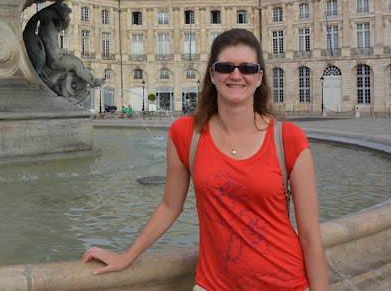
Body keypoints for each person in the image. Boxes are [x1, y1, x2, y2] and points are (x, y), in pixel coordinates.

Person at [83, 29, 328, 290]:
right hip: (213, 285)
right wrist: (127, 256)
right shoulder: (185, 134)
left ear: (259, 77)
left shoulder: (288, 139)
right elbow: (169, 206)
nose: (236, 75)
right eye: (225, 67)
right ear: (212, 74)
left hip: (284, 283)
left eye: (247, 68)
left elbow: (311, 236)